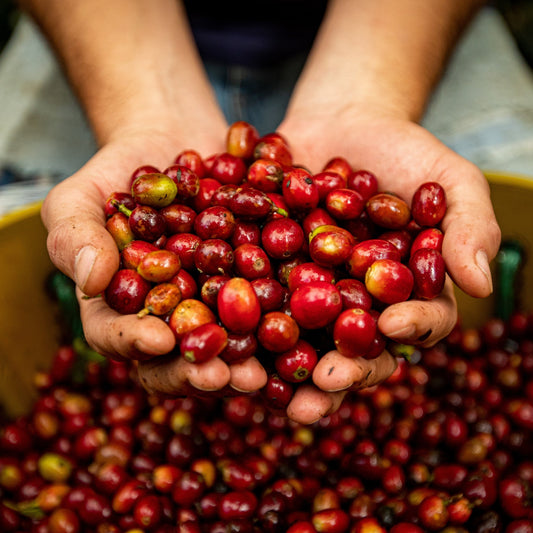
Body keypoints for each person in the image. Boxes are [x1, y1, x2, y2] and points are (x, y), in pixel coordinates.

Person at [18, 0, 501, 425]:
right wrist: (143, 111)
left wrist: (366, 100)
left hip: (398, 35)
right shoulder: (224, 241)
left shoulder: (302, 247)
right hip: (109, 36)